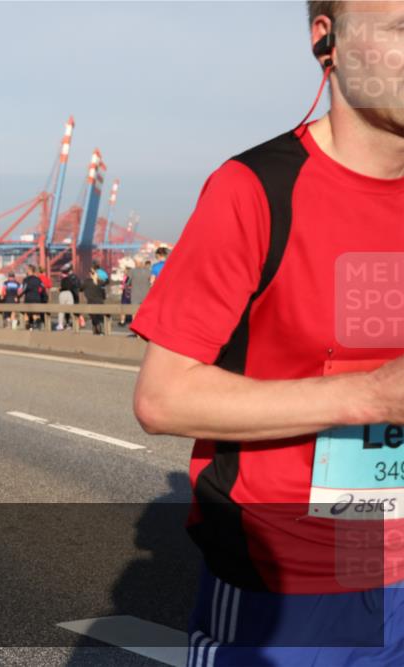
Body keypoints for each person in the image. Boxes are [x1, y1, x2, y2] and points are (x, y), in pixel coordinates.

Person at [132, 3, 404, 664]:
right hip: (287, 591)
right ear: (327, 40)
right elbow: (163, 399)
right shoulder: (254, 189)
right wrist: (371, 396)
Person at [19, 265, 46, 330]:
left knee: (26, 313)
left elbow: (24, 289)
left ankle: (28, 326)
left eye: (27, 270)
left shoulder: (26, 279)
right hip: (37, 298)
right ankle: (36, 326)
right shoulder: (38, 279)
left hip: (29, 298)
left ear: (29, 270)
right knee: (35, 313)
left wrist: (18, 296)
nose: (26, 271)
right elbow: (42, 287)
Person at [81, 267, 105, 335]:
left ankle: (96, 331)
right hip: (100, 303)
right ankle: (99, 331)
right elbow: (104, 295)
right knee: (99, 319)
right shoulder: (101, 282)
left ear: (90, 274)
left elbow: (80, 289)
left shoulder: (86, 282)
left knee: (94, 319)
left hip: (91, 303)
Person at [57, 265, 80, 330]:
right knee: (72, 310)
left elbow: (64, 287)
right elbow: (78, 285)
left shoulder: (64, 279)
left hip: (66, 294)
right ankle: (75, 324)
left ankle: (62, 324)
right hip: (72, 295)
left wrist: (60, 289)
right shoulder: (74, 277)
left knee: (62, 310)